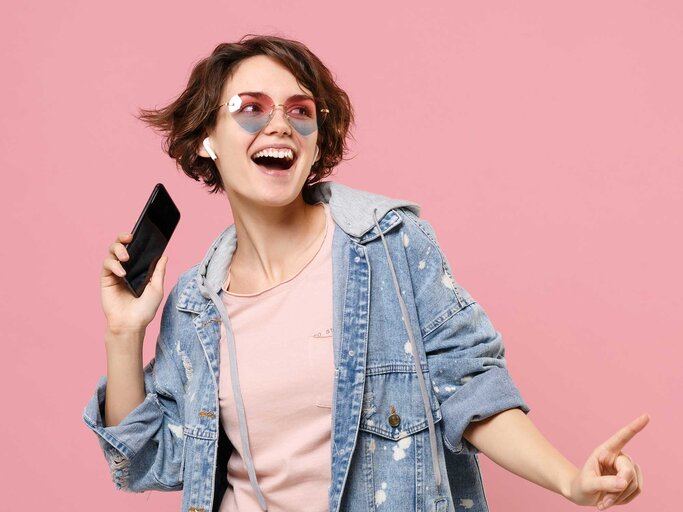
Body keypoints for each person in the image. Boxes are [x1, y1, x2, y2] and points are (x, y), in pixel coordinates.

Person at [83, 34, 647, 512]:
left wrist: (570, 480)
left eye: (300, 111)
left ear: (316, 140)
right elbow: (145, 459)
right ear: (206, 138)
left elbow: (470, 390)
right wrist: (124, 333)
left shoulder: (389, 244)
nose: (279, 124)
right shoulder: (195, 303)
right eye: (251, 108)